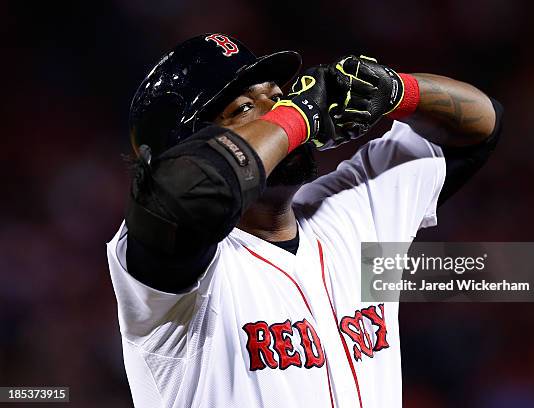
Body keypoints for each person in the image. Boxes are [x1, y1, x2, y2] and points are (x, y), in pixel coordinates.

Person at [107, 33, 503, 407]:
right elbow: (190, 192)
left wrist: (395, 92)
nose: (277, 112)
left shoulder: (352, 206)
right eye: (245, 109)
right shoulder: (170, 273)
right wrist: (296, 119)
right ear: (181, 150)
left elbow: (480, 127)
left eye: (278, 98)